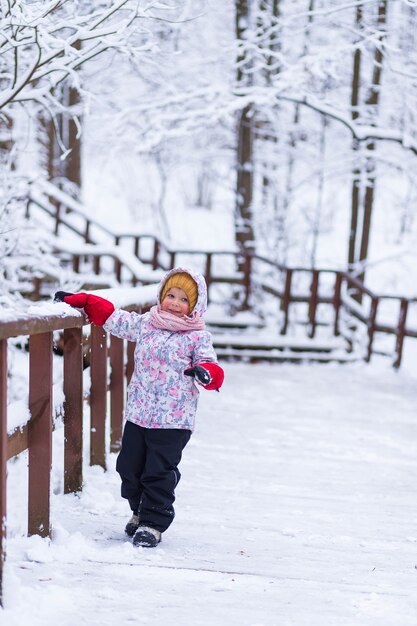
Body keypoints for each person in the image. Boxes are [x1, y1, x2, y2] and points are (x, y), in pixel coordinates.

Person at [55, 267, 224, 548]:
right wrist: (84, 300)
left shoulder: (197, 337)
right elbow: (115, 318)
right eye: (170, 295)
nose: (174, 303)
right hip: (139, 414)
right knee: (129, 467)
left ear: (194, 306)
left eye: (184, 299)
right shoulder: (148, 323)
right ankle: (139, 510)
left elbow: (212, 366)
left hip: (173, 420)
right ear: (161, 295)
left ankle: (152, 524)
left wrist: (206, 372)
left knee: (157, 471)